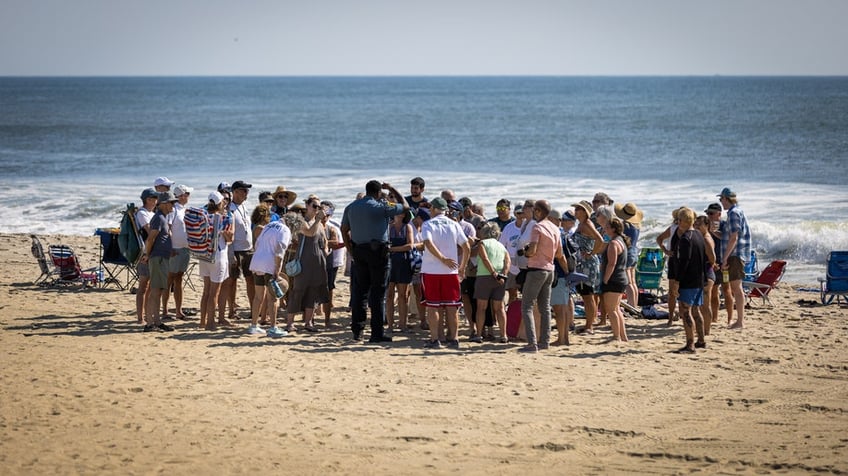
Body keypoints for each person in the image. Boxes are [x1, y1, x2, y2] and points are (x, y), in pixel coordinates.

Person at [341, 180, 409, 342]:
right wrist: (392, 188)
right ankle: (376, 333)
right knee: (378, 294)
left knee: (360, 292)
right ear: (379, 192)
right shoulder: (381, 207)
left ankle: (357, 331)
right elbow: (405, 207)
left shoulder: (351, 207)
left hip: (359, 250)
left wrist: (350, 249)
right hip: (378, 251)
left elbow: (344, 230)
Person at [519, 200, 571, 353]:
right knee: (545, 307)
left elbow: (533, 250)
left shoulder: (537, 227)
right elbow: (560, 254)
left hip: (536, 269)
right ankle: (544, 341)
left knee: (527, 305)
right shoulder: (555, 228)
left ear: (539, 211)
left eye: (535, 210)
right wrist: (567, 271)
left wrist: (526, 251)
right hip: (550, 269)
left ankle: (532, 343)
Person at [419, 197, 471, 349]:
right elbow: (466, 246)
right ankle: (454, 339)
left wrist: (442, 258)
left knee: (432, 306)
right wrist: (462, 267)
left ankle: (435, 339)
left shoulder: (428, 224)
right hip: (451, 272)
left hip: (431, 270)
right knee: (451, 306)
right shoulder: (454, 224)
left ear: (434, 209)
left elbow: (428, 243)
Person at [286, 195, 330, 333]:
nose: (317, 209)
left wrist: (326, 251)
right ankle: (290, 323)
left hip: (318, 262)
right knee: (298, 291)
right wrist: (318, 220)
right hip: (304, 261)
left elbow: (324, 240)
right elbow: (310, 233)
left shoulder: (320, 224)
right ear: (307, 206)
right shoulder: (300, 221)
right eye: (314, 206)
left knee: (313, 292)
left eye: (319, 207)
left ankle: (308, 322)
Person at [139, 191, 178, 332]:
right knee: (155, 290)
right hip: (158, 258)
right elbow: (151, 238)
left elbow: (158, 238)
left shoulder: (162, 218)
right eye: (172, 203)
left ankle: (156, 321)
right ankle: (150, 323)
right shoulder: (159, 218)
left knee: (159, 289)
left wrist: (170, 250)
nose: (173, 205)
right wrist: (148, 255)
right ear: (164, 204)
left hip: (162, 257)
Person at [248, 217, 293, 337]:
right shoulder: (285, 230)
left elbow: (257, 243)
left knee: (258, 296)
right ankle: (273, 328)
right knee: (273, 297)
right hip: (269, 264)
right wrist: (277, 270)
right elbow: (280, 250)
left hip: (257, 261)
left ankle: (253, 325)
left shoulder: (269, 225)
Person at [198, 191, 233, 330]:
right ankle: (210, 323)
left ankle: (202, 321)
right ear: (220, 203)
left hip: (204, 255)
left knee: (206, 291)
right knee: (214, 292)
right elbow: (229, 239)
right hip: (218, 256)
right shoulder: (224, 219)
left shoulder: (202, 216)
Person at [674, 208, 707, 352]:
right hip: (699, 278)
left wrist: (677, 281)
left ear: (682, 221)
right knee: (696, 310)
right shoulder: (699, 235)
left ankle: (690, 343)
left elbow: (684, 262)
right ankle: (701, 340)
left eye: (678, 220)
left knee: (686, 311)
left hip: (688, 279)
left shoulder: (686, 238)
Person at [718, 187, 752, 330]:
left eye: (721, 199)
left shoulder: (733, 213)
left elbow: (734, 238)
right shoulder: (737, 212)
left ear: (727, 199)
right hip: (736, 254)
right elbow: (729, 236)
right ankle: (739, 321)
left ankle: (740, 321)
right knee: (736, 288)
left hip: (735, 255)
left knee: (736, 288)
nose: (721, 202)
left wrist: (725, 258)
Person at [471, 222, 510, 343]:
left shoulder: (482, 243)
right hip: (500, 278)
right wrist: (503, 274)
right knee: (500, 308)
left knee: (481, 308)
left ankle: (478, 334)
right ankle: (504, 335)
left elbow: (484, 258)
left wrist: (493, 272)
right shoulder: (501, 245)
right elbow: (507, 261)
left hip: (484, 277)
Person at [571, 200, 604, 334]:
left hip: (587, 264)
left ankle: (589, 326)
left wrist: (591, 253)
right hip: (583, 263)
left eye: (579, 208)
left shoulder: (587, 224)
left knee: (588, 294)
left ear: (585, 212)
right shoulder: (581, 224)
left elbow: (600, 239)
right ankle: (590, 322)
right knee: (587, 294)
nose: (576, 210)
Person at [166, 184, 193, 321]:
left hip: (185, 248)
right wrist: (170, 247)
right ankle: (164, 310)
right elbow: (168, 229)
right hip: (175, 249)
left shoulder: (184, 210)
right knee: (169, 279)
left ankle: (178, 310)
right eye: (187, 194)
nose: (188, 196)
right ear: (181, 196)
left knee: (179, 279)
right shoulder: (173, 210)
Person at [601, 217, 630, 343]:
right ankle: (623, 336)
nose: (605, 229)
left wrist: (605, 279)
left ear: (613, 229)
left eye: (607, 227)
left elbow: (611, 264)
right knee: (616, 308)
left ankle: (616, 336)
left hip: (614, 279)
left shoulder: (614, 243)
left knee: (611, 309)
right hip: (621, 278)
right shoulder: (621, 241)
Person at [229, 180, 255, 316]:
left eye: (247, 191)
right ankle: (232, 310)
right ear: (235, 192)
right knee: (232, 280)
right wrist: (231, 252)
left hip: (248, 248)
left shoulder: (244, 206)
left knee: (250, 279)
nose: (247, 193)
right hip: (236, 248)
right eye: (244, 191)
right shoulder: (229, 208)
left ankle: (253, 309)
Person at [386, 212, 414, 333]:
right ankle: (390, 325)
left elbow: (410, 245)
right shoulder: (388, 226)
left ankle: (403, 324)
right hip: (390, 263)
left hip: (403, 262)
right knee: (389, 295)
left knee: (403, 296)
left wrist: (392, 249)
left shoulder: (407, 227)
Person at [134, 188, 158, 325]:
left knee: (149, 286)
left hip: (151, 252)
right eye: (153, 198)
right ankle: (140, 318)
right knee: (143, 285)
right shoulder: (142, 214)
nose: (155, 201)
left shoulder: (150, 213)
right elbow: (150, 232)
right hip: (145, 253)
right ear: (147, 200)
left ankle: (146, 314)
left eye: (155, 198)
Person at [320, 200, 345, 328]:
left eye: (327, 213)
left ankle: (327, 319)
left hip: (329, 262)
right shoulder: (313, 226)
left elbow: (335, 243)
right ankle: (310, 319)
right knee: (314, 290)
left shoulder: (332, 227)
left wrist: (323, 243)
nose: (325, 215)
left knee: (329, 289)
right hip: (316, 262)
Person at [657, 207, 683, 326]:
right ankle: (671, 317)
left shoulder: (688, 229)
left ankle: (678, 316)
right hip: (674, 261)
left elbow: (660, 239)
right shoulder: (673, 228)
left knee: (679, 291)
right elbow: (659, 239)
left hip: (680, 260)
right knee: (673, 291)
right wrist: (666, 251)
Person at [614, 202, 643, 308]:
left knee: (628, 282)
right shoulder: (636, 225)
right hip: (635, 252)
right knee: (633, 281)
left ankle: (631, 304)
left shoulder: (625, 225)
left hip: (628, 253)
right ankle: (634, 303)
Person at [705, 202, 729, 325]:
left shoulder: (724, 225)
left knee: (726, 290)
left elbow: (728, 239)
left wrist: (712, 231)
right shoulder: (705, 225)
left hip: (722, 261)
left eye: (711, 213)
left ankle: (724, 318)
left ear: (719, 214)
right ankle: (713, 317)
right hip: (709, 262)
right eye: (707, 213)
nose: (709, 216)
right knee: (712, 290)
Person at [694, 214, 718, 336]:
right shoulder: (701, 237)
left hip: (707, 274)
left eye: (699, 224)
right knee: (699, 304)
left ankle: (707, 331)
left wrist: (711, 264)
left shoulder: (706, 239)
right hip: (702, 273)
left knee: (705, 304)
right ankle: (702, 329)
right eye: (695, 224)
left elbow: (713, 258)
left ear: (706, 225)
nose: (696, 226)